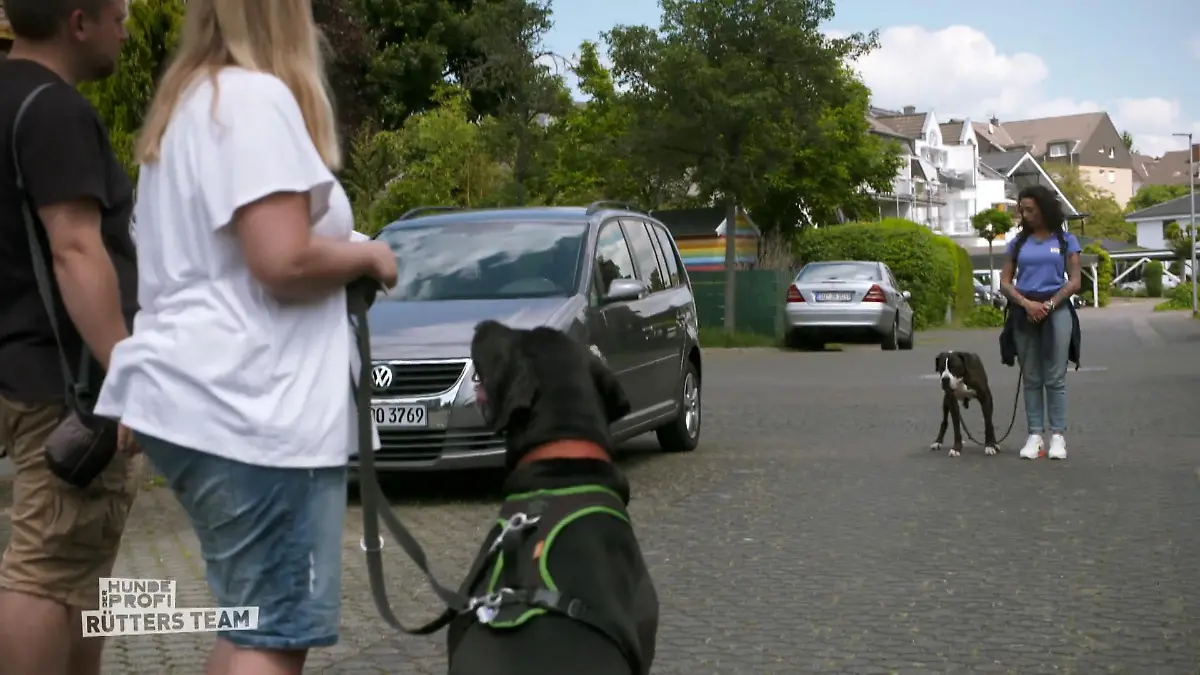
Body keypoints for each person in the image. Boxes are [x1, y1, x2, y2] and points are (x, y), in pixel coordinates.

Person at [91, 0, 398, 673]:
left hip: (202, 399)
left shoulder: (186, 108)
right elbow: (280, 259)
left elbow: (215, 259)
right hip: (260, 407)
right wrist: (369, 257)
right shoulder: (255, 101)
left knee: (247, 620)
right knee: (275, 632)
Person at [0, 1, 141, 674]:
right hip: (69, 386)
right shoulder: (55, 112)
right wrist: (127, 371)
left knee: (76, 572)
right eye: (118, 10)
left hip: (23, 371)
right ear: (78, 20)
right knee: (45, 570)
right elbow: (76, 249)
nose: (128, 24)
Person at [999, 185, 1082, 461]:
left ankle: (1057, 436)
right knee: (1032, 376)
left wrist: (1048, 305)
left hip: (1056, 311)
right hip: (1025, 311)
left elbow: (1075, 281)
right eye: (1022, 209)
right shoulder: (1017, 243)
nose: (1025, 214)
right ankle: (1035, 435)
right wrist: (1026, 304)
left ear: (1044, 208)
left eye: (1030, 209)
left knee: (1055, 377)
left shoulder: (1067, 240)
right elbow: (1005, 282)